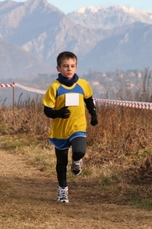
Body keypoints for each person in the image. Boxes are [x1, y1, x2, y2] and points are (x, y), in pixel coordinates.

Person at [42, 51, 98, 203]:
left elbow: (89, 100)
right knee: (61, 162)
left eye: (72, 66)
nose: (69, 69)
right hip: (60, 131)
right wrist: (57, 113)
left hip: (78, 127)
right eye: (65, 66)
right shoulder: (55, 87)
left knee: (79, 150)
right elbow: (47, 109)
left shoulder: (83, 84)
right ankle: (62, 190)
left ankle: (77, 160)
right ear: (58, 68)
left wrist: (93, 115)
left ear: (76, 67)